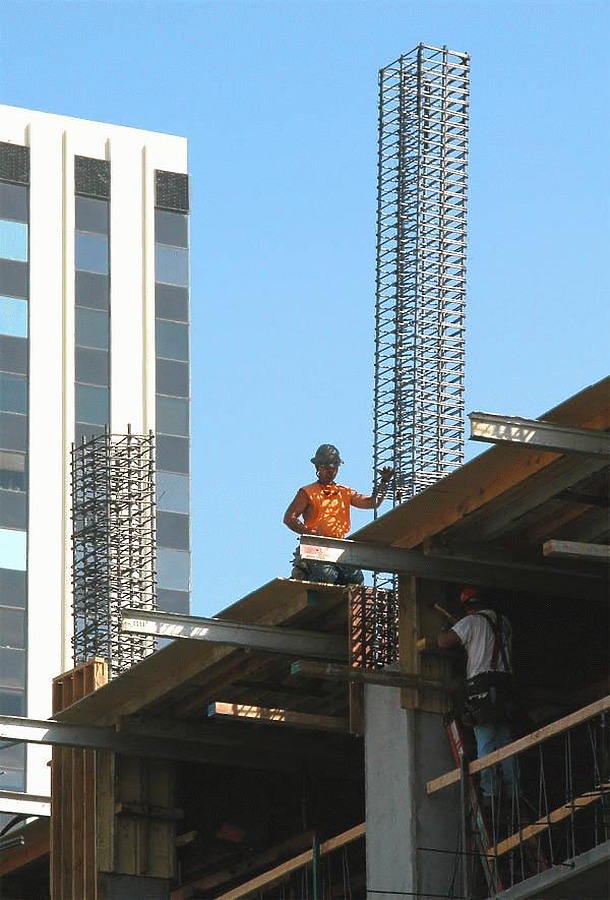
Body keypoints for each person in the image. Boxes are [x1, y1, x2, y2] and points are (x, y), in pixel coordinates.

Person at [438, 585, 518, 806]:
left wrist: (448, 627)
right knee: (505, 742)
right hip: (505, 687)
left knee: (485, 741)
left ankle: (490, 795)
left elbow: (443, 642)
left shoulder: (471, 622)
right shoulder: (504, 622)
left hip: (483, 687)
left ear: (467, 607)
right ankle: (514, 793)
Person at [283, 443, 394, 585]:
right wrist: (308, 532)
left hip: (338, 546)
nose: (331, 472)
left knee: (355, 578)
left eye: (334, 468)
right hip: (316, 546)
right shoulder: (308, 492)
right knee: (327, 577)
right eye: (327, 468)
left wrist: (384, 483)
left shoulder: (344, 492)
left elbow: (372, 503)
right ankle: (304, 574)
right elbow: (289, 518)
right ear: (318, 468)